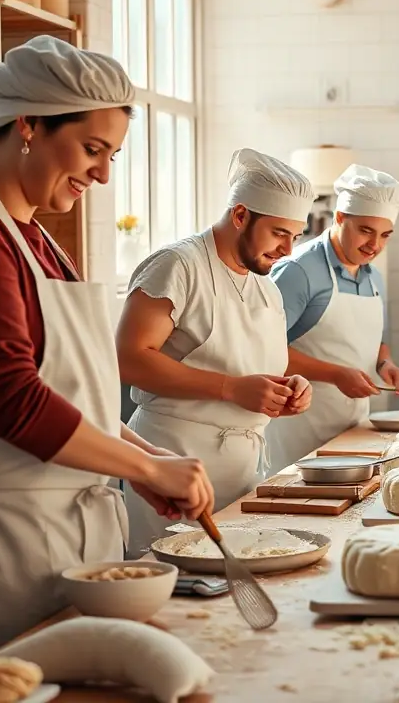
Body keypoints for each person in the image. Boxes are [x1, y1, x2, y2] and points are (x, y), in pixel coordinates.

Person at [0, 36, 214, 657]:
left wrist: (143, 455)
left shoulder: (39, 240)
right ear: (28, 124)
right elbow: (9, 399)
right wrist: (143, 468)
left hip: (65, 537)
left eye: (112, 155)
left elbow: (73, 396)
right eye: (92, 149)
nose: (104, 174)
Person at [115, 149, 314, 555]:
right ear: (240, 215)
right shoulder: (178, 265)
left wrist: (290, 387)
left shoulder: (266, 288)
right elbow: (128, 358)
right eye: (279, 233)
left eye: (295, 236)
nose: (288, 250)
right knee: (174, 582)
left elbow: (253, 363)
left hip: (241, 475)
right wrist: (231, 388)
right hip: (172, 468)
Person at [267, 164, 399, 470]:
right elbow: (262, 349)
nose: (375, 245)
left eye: (385, 235)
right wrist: (335, 374)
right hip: (297, 430)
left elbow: (378, 342)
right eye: (366, 231)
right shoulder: (298, 271)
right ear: (340, 217)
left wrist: (385, 363)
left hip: (352, 430)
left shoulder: (374, 278)